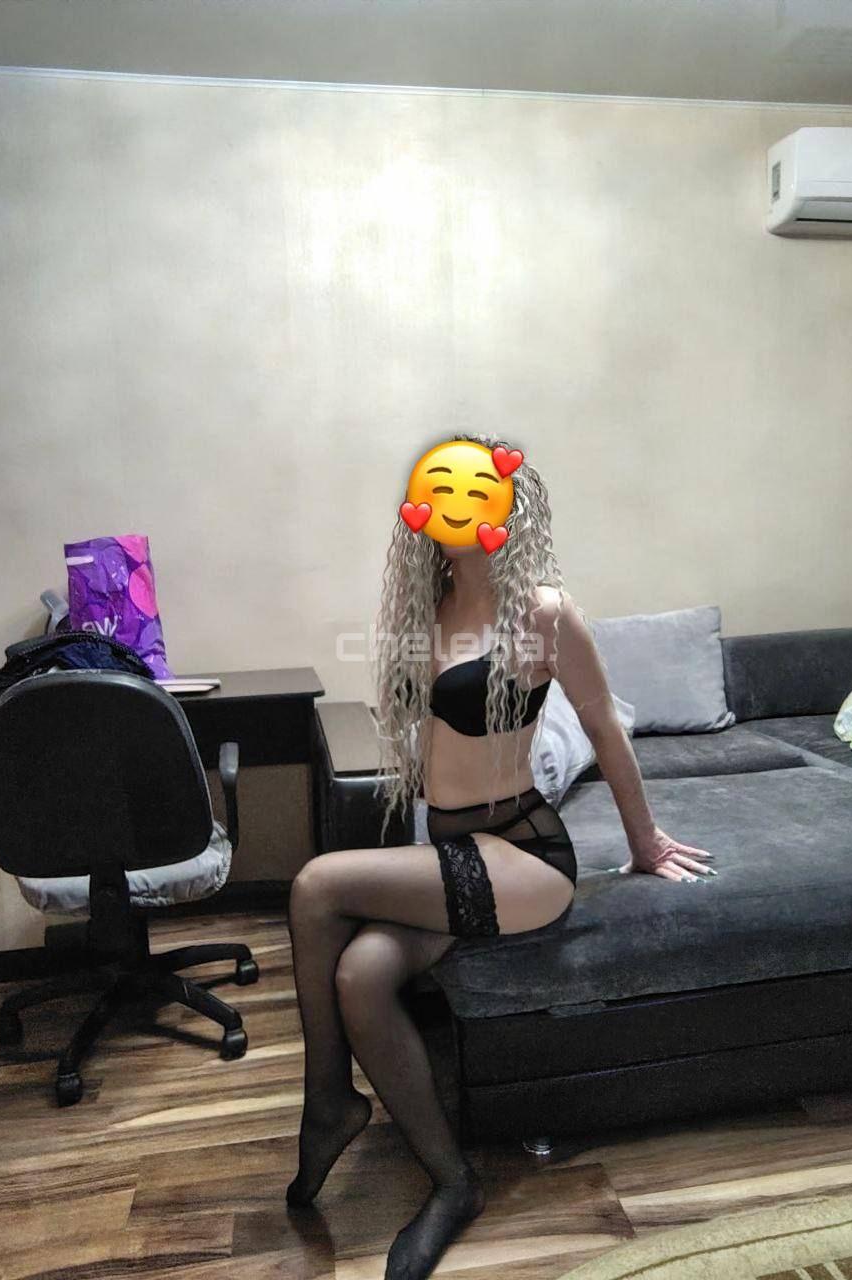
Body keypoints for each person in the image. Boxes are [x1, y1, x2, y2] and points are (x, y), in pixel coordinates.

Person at [285, 433, 716, 1280]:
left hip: (523, 854)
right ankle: (454, 1182)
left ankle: (328, 1102)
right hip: (454, 855)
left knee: (315, 885)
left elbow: (603, 727)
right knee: (361, 975)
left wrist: (645, 842)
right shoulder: (427, 610)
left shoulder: (543, 613)